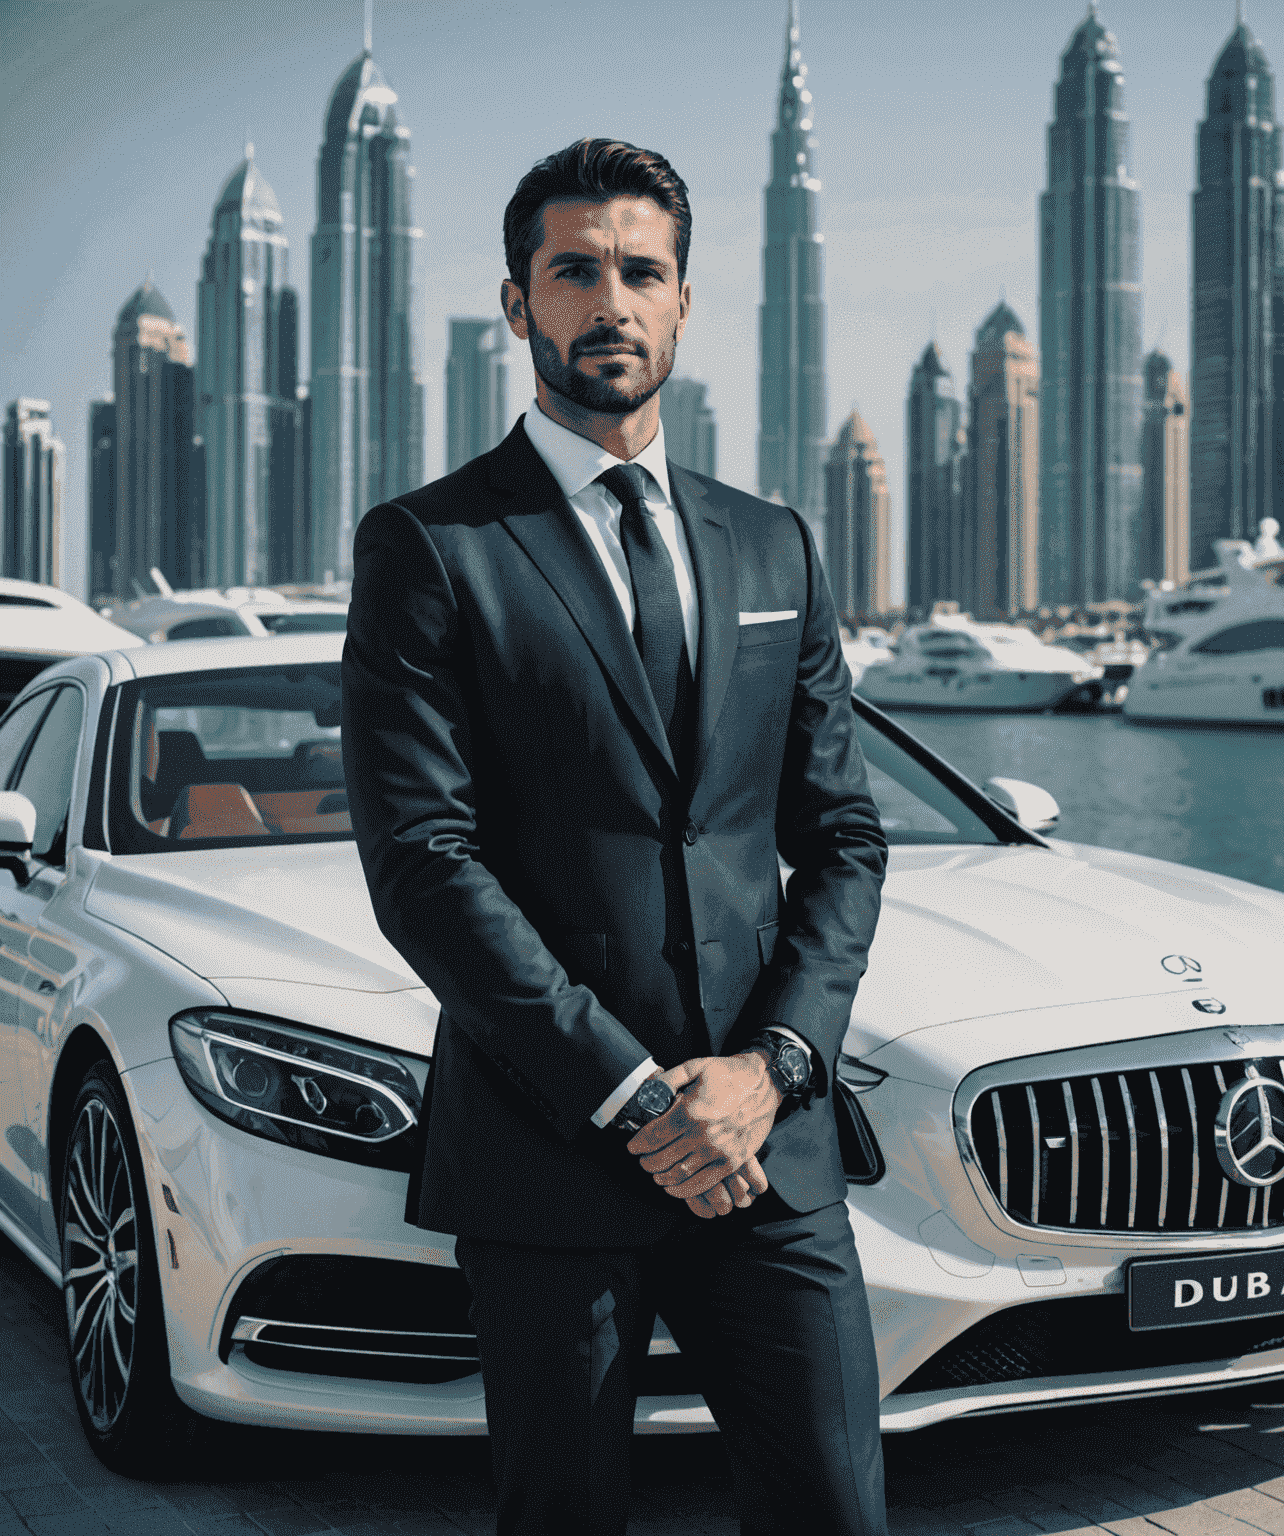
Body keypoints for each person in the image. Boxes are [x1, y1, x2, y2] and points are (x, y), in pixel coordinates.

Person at [341, 137, 889, 1536]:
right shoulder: (432, 545)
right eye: (573, 270)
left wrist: (769, 1069)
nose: (611, 301)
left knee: (837, 1511)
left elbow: (841, 839)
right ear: (518, 304)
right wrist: (640, 1100)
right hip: (549, 1153)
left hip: (772, 1149)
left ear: (686, 304)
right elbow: (424, 865)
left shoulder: (777, 547)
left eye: (641, 271)